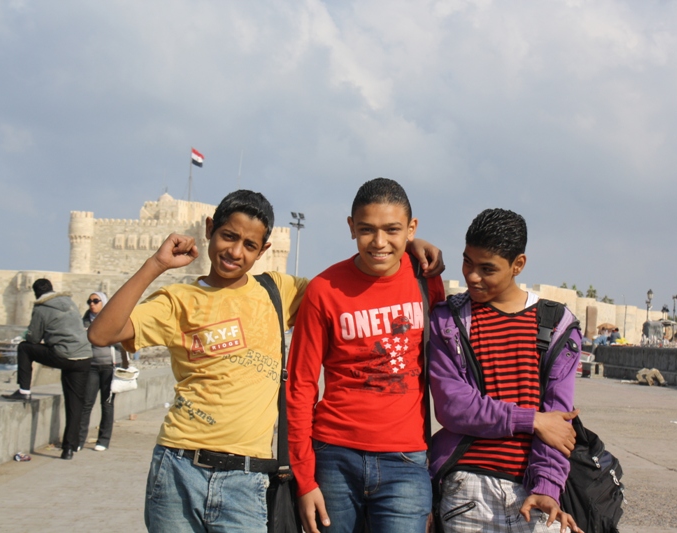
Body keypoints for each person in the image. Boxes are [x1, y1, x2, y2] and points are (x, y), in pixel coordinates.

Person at [87, 188, 444, 532]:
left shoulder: (277, 292)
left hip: (248, 476)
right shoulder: (178, 300)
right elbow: (102, 335)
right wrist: (156, 264)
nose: (235, 251)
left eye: (250, 245)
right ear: (209, 229)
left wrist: (407, 247)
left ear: (264, 250)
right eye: (228, 236)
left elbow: (360, 278)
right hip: (180, 464)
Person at [287, 178, 446, 533]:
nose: (379, 242)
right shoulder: (323, 290)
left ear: (411, 228)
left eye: (392, 230)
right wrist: (304, 478)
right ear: (350, 228)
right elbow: (300, 387)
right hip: (332, 458)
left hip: (406, 460)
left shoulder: (428, 282)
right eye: (366, 230)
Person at [428, 208, 582, 533]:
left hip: (533, 493)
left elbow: (558, 421)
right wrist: (531, 420)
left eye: (487, 269)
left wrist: (547, 486)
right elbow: (454, 406)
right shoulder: (449, 321)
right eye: (467, 261)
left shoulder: (556, 325)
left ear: (518, 265)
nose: (472, 276)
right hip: (467, 488)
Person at [2, 279, 93, 460]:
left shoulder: (41, 308)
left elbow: (34, 338)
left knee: (24, 348)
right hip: (84, 357)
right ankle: (69, 448)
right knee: (75, 404)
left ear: (36, 294)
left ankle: (24, 390)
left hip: (63, 355)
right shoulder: (69, 302)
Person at [78, 292, 129, 452]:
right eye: (90, 301)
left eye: (95, 301)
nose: (92, 304)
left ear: (103, 303)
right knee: (86, 403)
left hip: (109, 366)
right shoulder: (84, 322)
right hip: (91, 366)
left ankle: (103, 440)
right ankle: (79, 440)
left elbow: (123, 341)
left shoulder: (112, 320)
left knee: (107, 404)